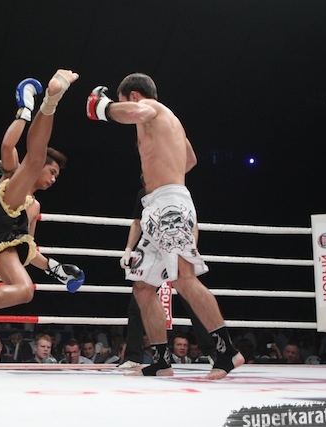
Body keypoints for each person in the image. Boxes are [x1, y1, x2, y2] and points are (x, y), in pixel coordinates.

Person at [87, 73, 244, 379]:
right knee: (143, 287)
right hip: (158, 206)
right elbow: (190, 160)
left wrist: (101, 108)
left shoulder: (151, 108)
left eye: (121, 101)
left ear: (133, 95)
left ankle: (227, 351)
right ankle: (161, 360)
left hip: (170, 205)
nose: (123, 108)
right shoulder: (171, 123)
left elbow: (135, 112)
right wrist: (164, 167)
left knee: (184, 278)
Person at [0, 70, 84, 332]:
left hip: (0, 242)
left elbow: (28, 246)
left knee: (25, 291)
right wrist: (24, 111)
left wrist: (54, 267)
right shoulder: (14, 172)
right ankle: (51, 100)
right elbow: (7, 146)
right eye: (52, 172)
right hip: (3, 208)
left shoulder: (34, 207)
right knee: (32, 162)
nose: (53, 179)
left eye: (56, 176)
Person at [118, 182, 216, 367]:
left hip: (176, 248)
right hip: (151, 252)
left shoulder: (177, 192)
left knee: (191, 298)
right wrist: (128, 249)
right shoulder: (143, 193)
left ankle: (212, 351)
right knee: (138, 302)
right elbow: (137, 222)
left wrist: (190, 249)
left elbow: (192, 223)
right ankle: (133, 357)